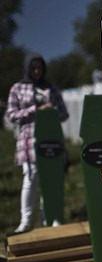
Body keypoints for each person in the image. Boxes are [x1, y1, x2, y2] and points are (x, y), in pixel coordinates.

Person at [5, 54, 68, 233]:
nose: (37, 71)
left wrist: (51, 111)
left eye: (40, 68)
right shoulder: (17, 88)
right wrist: (35, 110)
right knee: (31, 178)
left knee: (51, 180)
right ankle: (26, 221)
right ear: (27, 68)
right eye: (33, 68)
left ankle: (50, 218)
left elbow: (63, 113)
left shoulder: (51, 88)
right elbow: (11, 114)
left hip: (51, 140)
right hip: (29, 140)